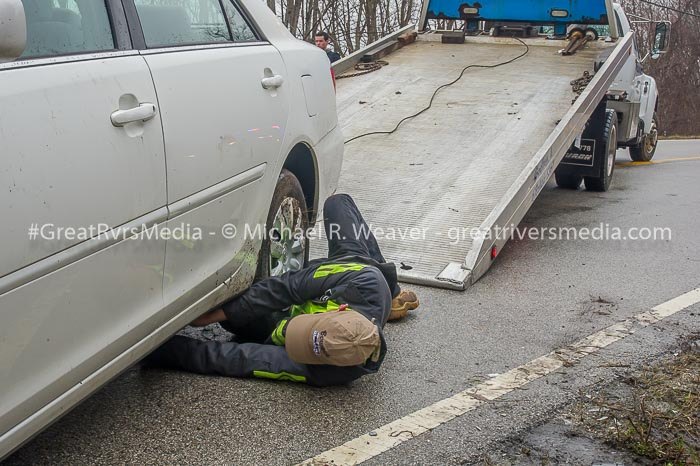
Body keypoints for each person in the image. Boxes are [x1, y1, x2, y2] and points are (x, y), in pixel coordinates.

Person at [144, 194, 420, 386]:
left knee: (239, 323)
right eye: (303, 331)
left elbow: (243, 360)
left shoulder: (328, 369)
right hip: (353, 268)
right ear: (340, 309)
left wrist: (156, 350)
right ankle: (393, 290)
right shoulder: (362, 280)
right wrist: (217, 315)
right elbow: (287, 286)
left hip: (295, 320)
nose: (293, 334)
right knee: (338, 204)